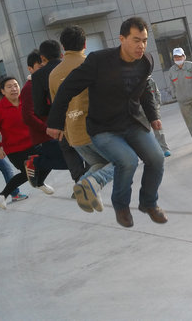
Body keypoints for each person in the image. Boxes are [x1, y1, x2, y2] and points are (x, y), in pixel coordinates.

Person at [47, 17, 167, 229]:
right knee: (127, 160)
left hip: (132, 122)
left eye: (145, 40)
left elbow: (145, 90)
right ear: (122, 39)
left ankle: (149, 203)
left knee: (156, 158)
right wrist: (55, 122)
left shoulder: (147, 60)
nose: (141, 46)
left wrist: (153, 115)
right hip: (104, 127)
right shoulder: (98, 61)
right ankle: (121, 207)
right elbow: (68, 89)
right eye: (136, 40)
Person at [48, 25, 114, 213]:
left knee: (98, 164)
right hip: (96, 130)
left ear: (63, 47)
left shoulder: (53, 75)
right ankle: (91, 184)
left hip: (74, 135)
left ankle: (84, 185)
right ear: (85, 44)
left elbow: (57, 107)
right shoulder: (93, 64)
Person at [0, 76, 54, 210]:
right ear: (3, 91)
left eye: (16, 85)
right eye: (9, 87)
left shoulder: (27, 102)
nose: (14, 89)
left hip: (34, 142)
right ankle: (2, 195)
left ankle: (39, 182)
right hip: (15, 149)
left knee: (51, 158)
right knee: (27, 173)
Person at [30, 39, 88, 183]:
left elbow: (40, 108)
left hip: (61, 122)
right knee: (91, 151)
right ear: (61, 53)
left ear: (42, 58)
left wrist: (54, 112)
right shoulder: (76, 65)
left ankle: (80, 183)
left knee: (69, 152)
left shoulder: (38, 76)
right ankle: (89, 181)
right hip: (84, 116)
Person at [20, 49, 67, 190]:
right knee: (70, 162)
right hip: (45, 135)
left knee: (75, 160)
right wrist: (46, 128)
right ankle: (36, 162)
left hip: (59, 131)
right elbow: (28, 116)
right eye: (40, 67)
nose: (45, 69)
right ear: (30, 69)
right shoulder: (29, 88)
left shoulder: (51, 81)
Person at [167, 47, 192, 151]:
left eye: (180, 56)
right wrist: (175, 95)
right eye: (176, 57)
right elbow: (171, 85)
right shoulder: (171, 71)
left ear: (184, 56)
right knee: (190, 122)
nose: (178, 58)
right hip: (183, 101)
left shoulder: (191, 66)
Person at [147, 76, 171, 156]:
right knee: (145, 133)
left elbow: (157, 93)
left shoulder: (150, 80)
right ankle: (150, 154)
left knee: (159, 130)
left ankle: (164, 149)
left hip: (154, 109)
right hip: (141, 112)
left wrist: (157, 104)